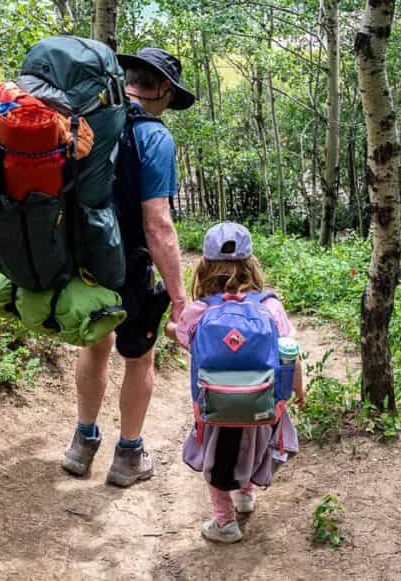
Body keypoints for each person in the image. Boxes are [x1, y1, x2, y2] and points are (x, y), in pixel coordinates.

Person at [61, 47, 195, 486]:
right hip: (130, 264)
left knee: (95, 345)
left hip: (83, 259)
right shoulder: (154, 136)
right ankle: (128, 456)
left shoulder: (90, 121)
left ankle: (82, 444)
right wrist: (179, 298)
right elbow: (157, 224)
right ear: (163, 89)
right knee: (139, 357)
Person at [174, 222, 304, 543]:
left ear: (203, 266)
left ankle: (224, 522)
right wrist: (298, 389)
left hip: (213, 405)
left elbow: (182, 336)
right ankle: (245, 495)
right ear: (251, 264)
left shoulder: (199, 310)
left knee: (215, 458)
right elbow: (290, 351)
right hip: (261, 402)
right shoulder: (269, 306)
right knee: (251, 444)